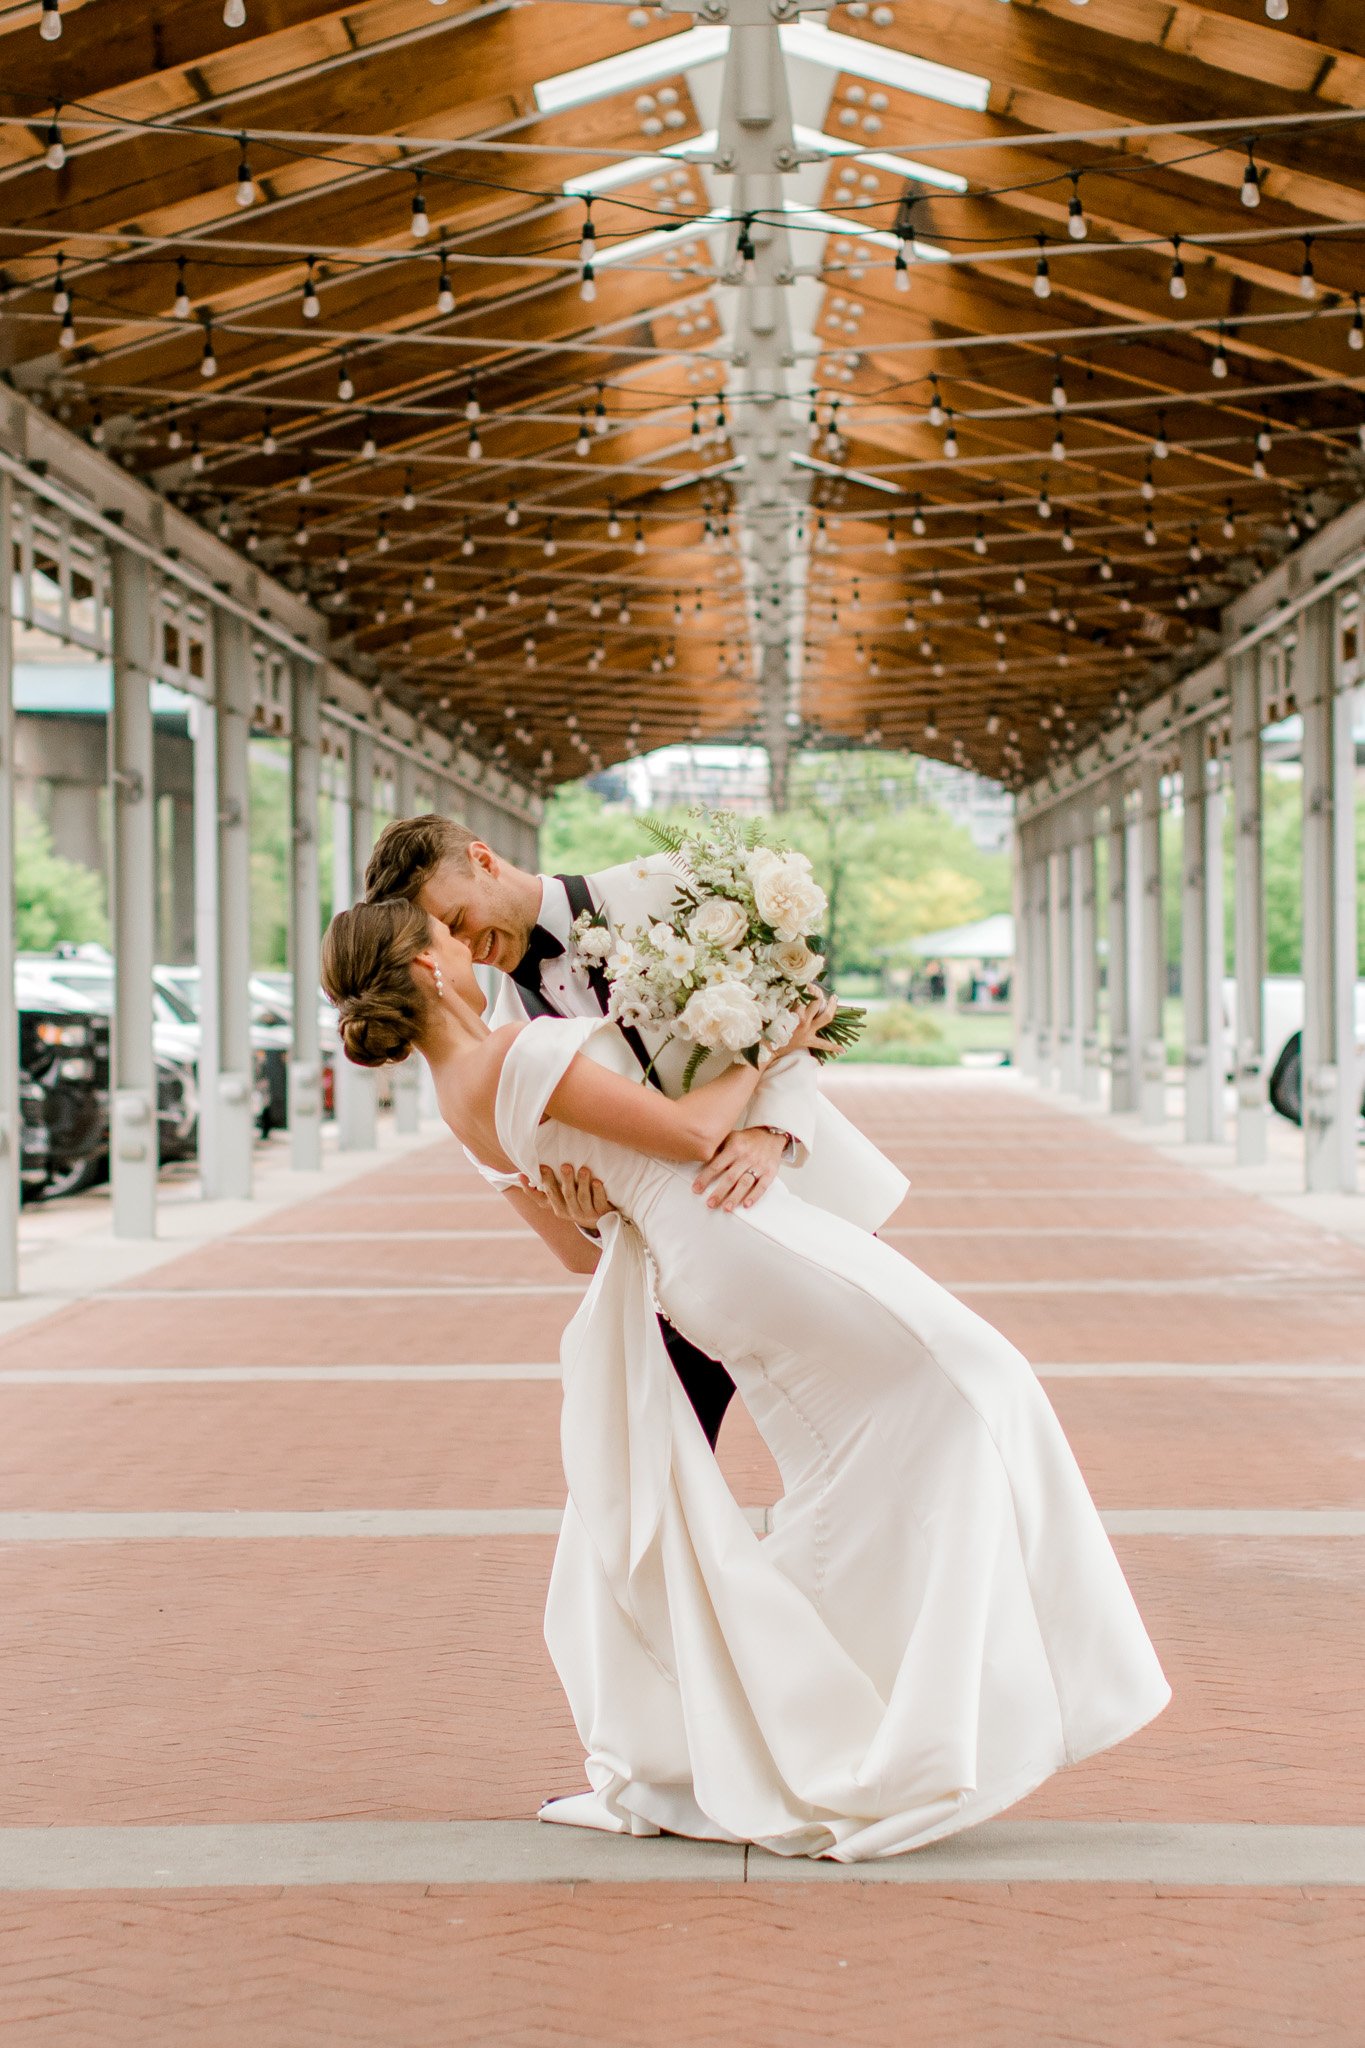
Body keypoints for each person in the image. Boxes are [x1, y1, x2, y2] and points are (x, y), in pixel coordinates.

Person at [321, 896, 1171, 1861]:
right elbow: (687, 1135)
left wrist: (603, 1189)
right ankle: (923, 1702)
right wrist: (767, 1051)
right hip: (735, 1233)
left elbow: (572, 1247)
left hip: (704, 1255)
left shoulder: (461, 1099)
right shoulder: (515, 1055)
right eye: (445, 941)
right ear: (429, 970)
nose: (466, 950)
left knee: (914, 1431)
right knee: (980, 1377)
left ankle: (860, 1688)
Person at [363, 815, 907, 1449]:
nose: (464, 945)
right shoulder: (508, 1031)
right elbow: (583, 1231)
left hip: (807, 1208)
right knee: (664, 1457)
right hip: (681, 1270)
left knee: (877, 1418)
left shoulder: (660, 888)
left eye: (454, 920)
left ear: (483, 860)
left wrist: (770, 1131)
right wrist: (589, 1215)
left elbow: (795, 1003)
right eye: (443, 939)